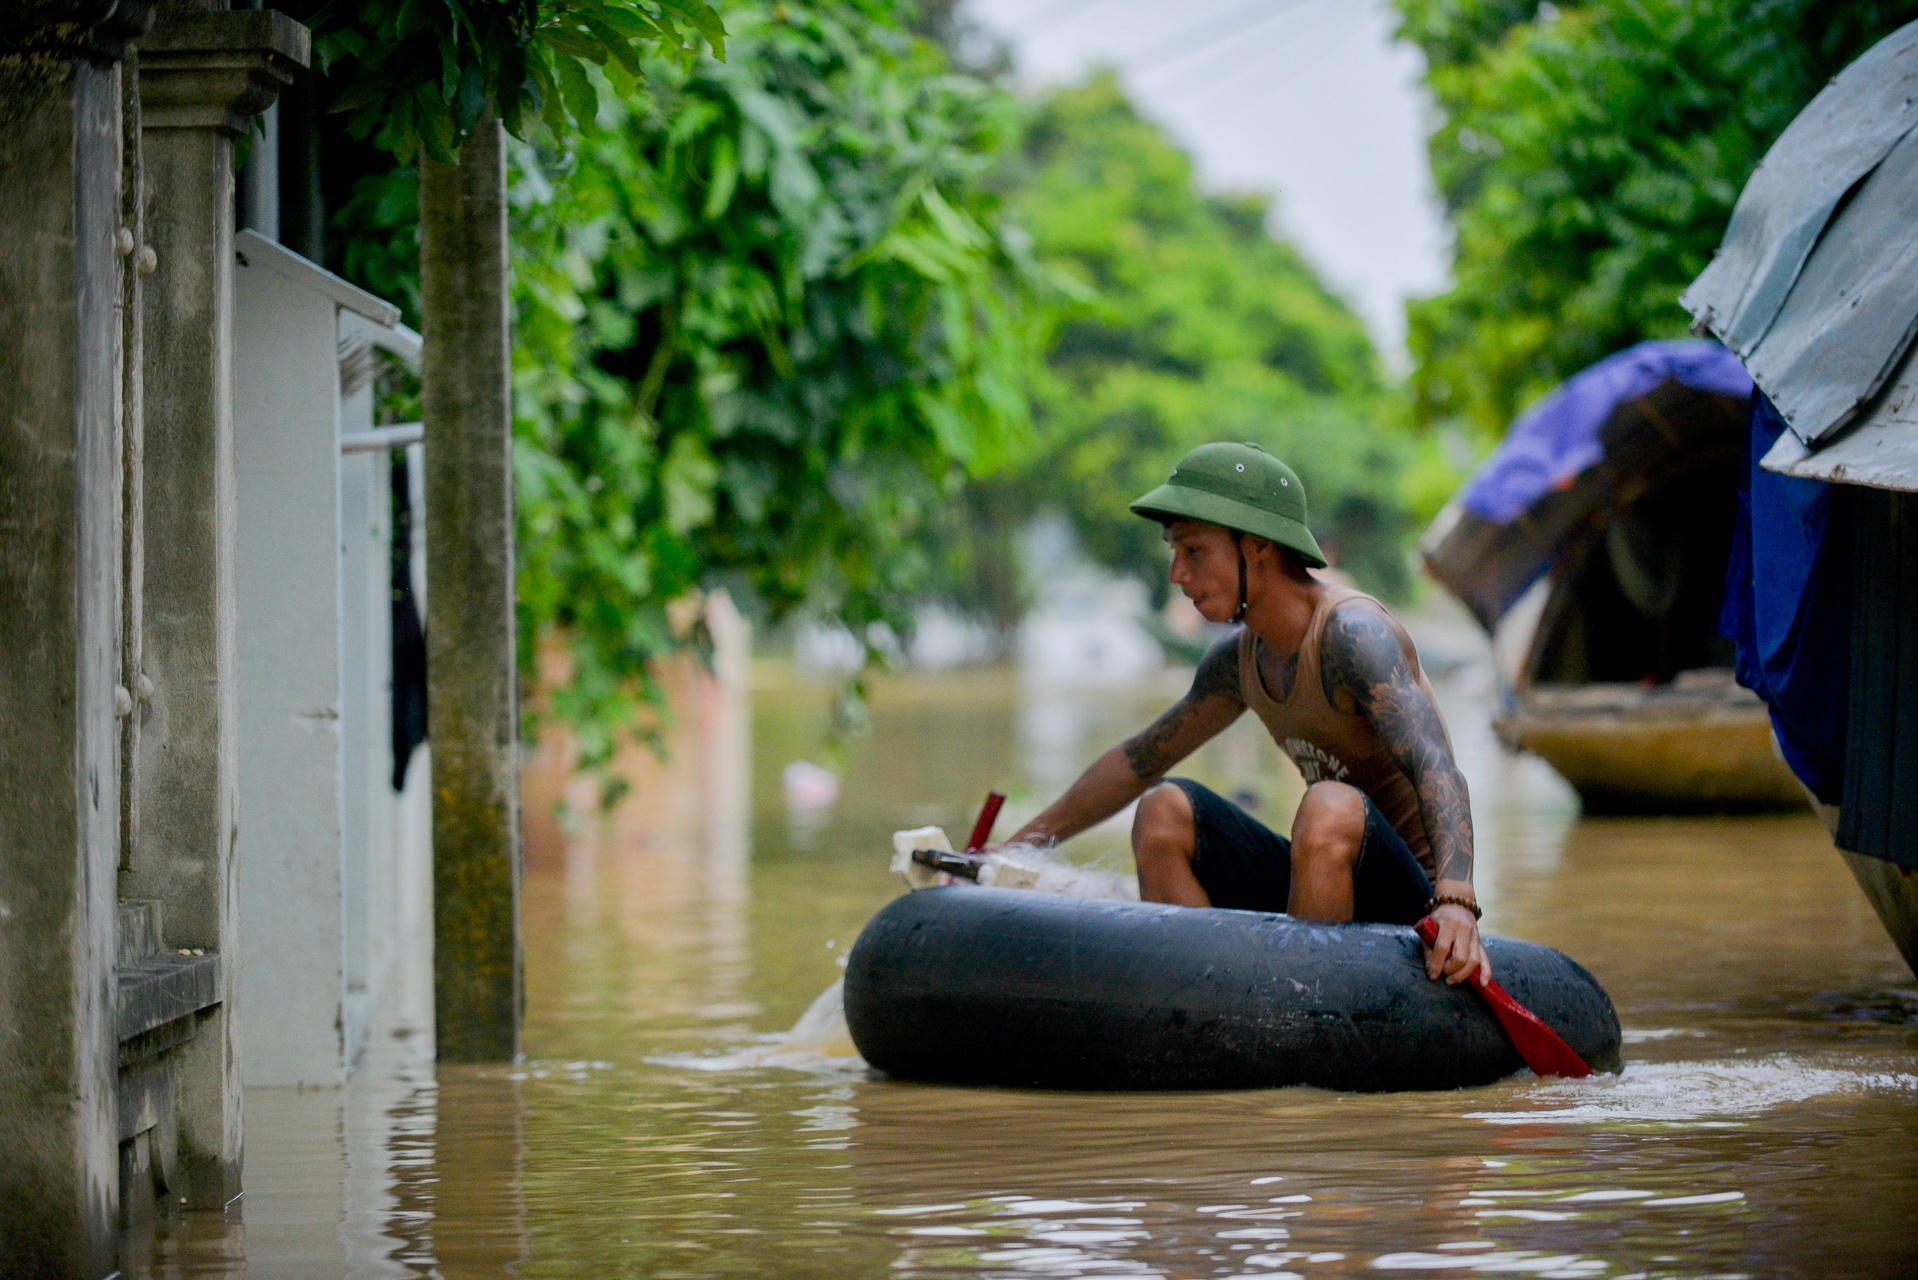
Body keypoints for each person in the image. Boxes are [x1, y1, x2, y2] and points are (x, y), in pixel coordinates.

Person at [1002, 441, 1490, 985]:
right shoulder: (1236, 661)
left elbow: (1436, 763)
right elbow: (1136, 762)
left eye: (1194, 552)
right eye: (1174, 553)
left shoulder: (1353, 634)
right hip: (1322, 878)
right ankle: (1202, 1001)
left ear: (1256, 545)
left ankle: (1304, 1011)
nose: (1177, 575)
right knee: (1162, 808)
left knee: (1328, 805)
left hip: (1412, 898)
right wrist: (1010, 853)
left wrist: (1456, 901)